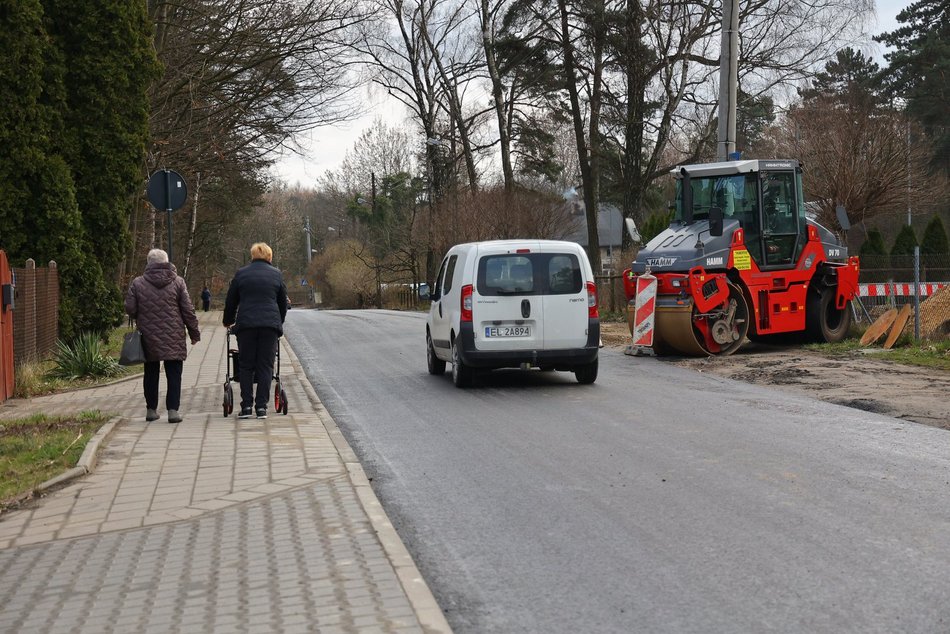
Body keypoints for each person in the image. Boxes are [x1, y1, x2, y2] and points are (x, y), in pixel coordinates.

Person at [125, 249, 201, 424]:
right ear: (167, 262)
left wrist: (140, 313)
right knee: (174, 373)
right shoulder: (178, 282)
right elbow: (188, 310)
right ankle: (173, 410)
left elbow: (130, 308)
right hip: (173, 335)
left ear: (149, 263)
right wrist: (194, 333)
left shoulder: (138, 283)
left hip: (148, 335)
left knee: (151, 372)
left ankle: (151, 409)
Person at [223, 242, 288, 420]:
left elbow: (231, 301)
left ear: (252, 256)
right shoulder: (277, 275)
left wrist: (228, 321)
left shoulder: (241, 274)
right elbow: (283, 303)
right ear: (269, 256)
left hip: (247, 326)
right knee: (266, 365)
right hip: (269, 327)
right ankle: (261, 407)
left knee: (246, 365)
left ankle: (246, 407)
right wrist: (278, 321)